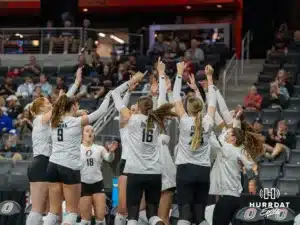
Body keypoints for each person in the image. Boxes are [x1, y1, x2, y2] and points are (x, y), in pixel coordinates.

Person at [111, 71, 177, 225]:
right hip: (154, 172)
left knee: (132, 213)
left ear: (138, 109)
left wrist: (131, 83)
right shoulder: (156, 121)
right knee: (152, 214)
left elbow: (115, 95)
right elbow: (162, 105)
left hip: (134, 170)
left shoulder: (132, 120)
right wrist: (161, 84)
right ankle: (156, 222)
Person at [43, 84, 112, 225]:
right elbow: (102, 111)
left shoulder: (54, 120)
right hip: (69, 167)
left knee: (53, 211)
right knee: (72, 211)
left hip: (52, 165)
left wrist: (76, 111)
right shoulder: (75, 122)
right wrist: (108, 96)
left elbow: (61, 111)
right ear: (73, 107)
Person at [26, 68, 83, 225]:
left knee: (51, 210)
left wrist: (77, 112)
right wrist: (76, 83)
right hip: (41, 162)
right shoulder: (39, 119)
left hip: (47, 163)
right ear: (40, 109)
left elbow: (63, 114)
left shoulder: (49, 120)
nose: (51, 103)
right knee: (37, 209)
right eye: (47, 103)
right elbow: (61, 105)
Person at [173, 62, 217, 225]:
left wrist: (179, 74)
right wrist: (210, 78)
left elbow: (176, 98)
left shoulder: (184, 121)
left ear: (188, 108)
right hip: (203, 171)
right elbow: (212, 103)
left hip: (185, 169)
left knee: (184, 213)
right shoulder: (207, 122)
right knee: (200, 216)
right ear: (201, 109)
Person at [80, 125, 118, 225]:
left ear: (94, 135)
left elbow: (109, 158)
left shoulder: (99, 148)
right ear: (82, 134)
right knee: (85, 221)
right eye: (87, 131)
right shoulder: (77, 149)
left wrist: (111, 152)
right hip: (83, 184)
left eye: (92, 131)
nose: (90, 133)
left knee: (100, 219)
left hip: (98, 184)